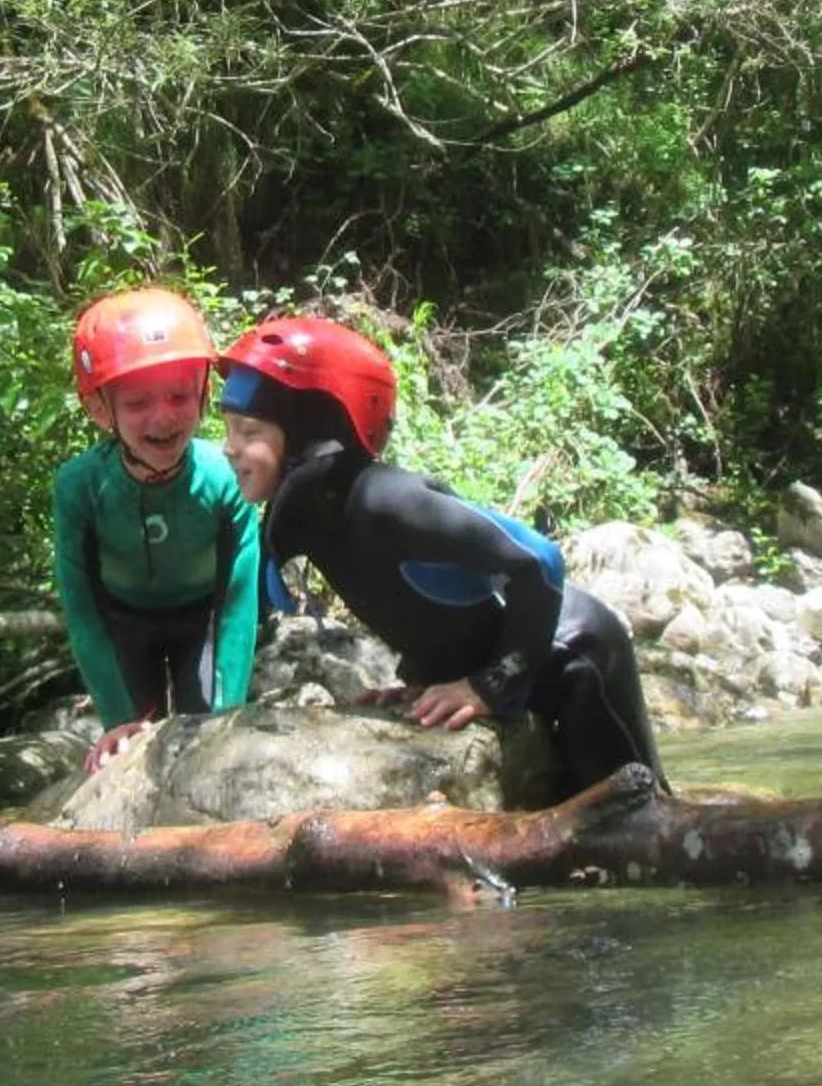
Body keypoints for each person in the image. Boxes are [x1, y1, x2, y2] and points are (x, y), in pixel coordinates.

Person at [215, 315, 664, 799]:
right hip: (511, 662)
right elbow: (425, 604)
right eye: (229, 429)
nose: (229, 446)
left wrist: (490, 685)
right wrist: (426, 679)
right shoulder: (314, 515)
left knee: (634, 820)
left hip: (575, 655)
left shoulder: (383, 500)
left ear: (310, 432)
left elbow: (540, 560)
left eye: (249, 430)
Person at [53, 286, 262, 771]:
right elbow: (82, 610)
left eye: (179, 395)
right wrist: (117, 718)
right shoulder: (81, 487)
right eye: (137, 403)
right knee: (132, 749)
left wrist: (228, 712)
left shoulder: (224, 479)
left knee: (208, 748)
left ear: (203, 394)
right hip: (124, 624)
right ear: (99, 409)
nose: (163, 417)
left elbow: (235, 605)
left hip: (201, 622)